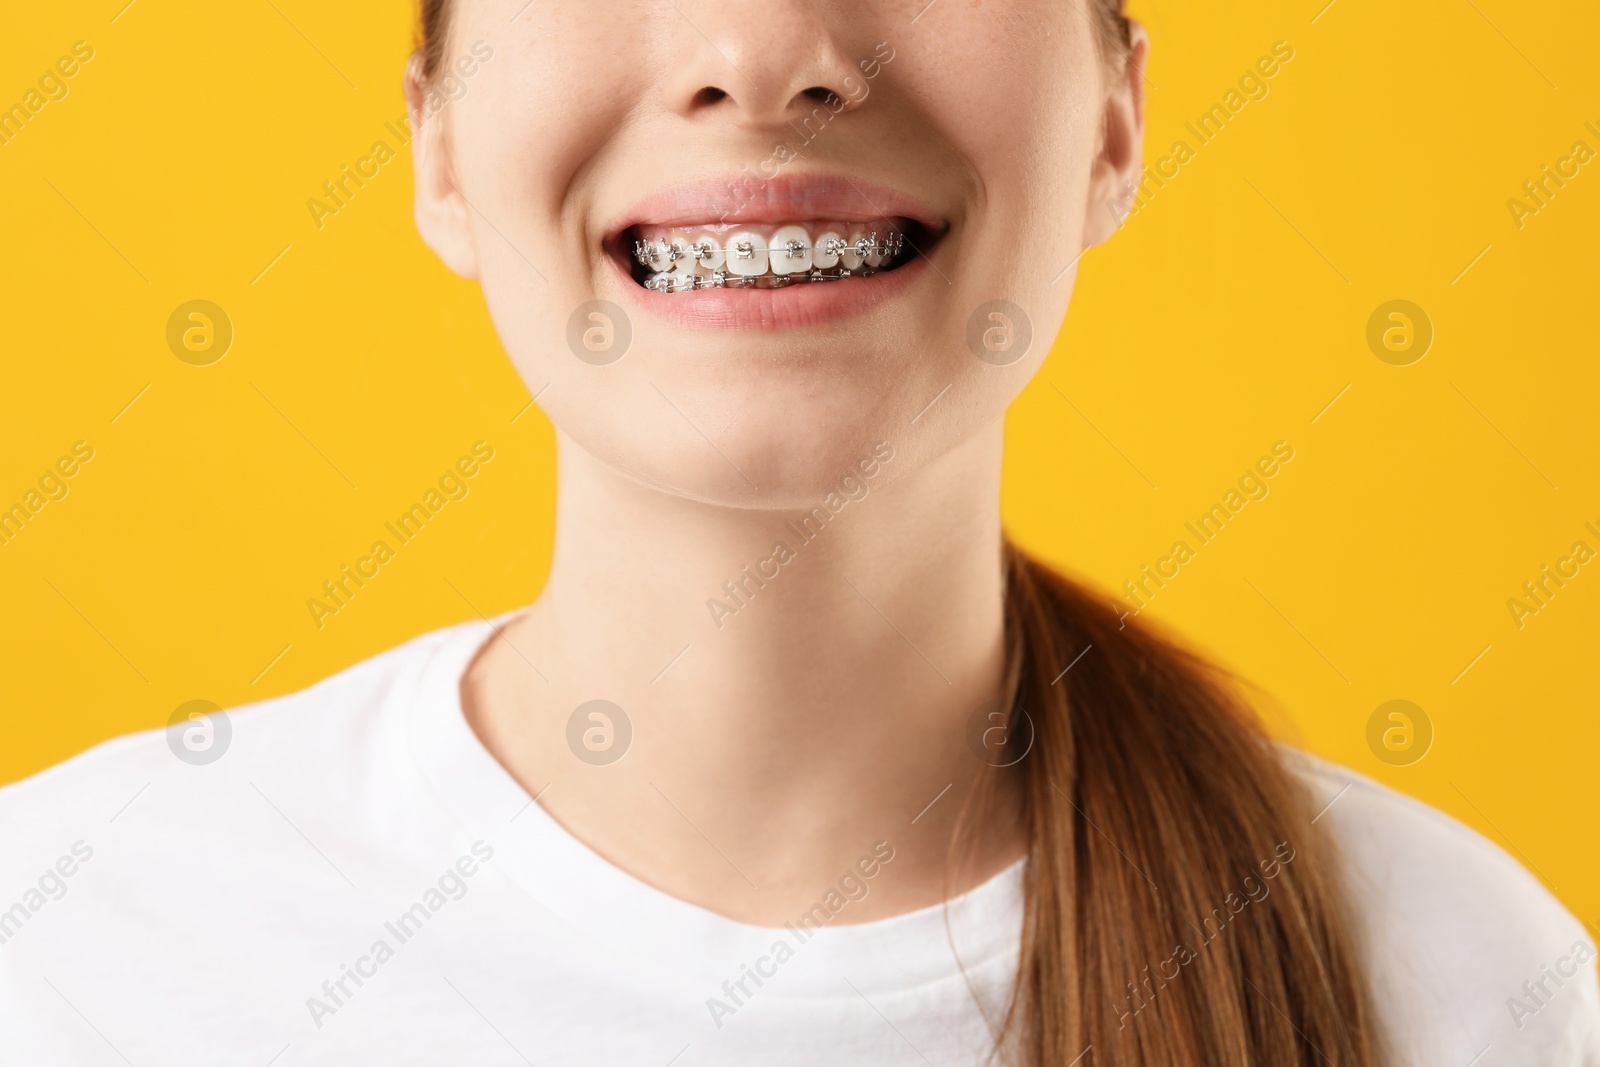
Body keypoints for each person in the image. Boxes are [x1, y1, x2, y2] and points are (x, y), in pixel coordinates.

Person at [2, 1, 1594, 1064]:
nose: (764, 55)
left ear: (1114, 118)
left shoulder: (1468, 993)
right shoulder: (62, 943)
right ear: (437, 149)